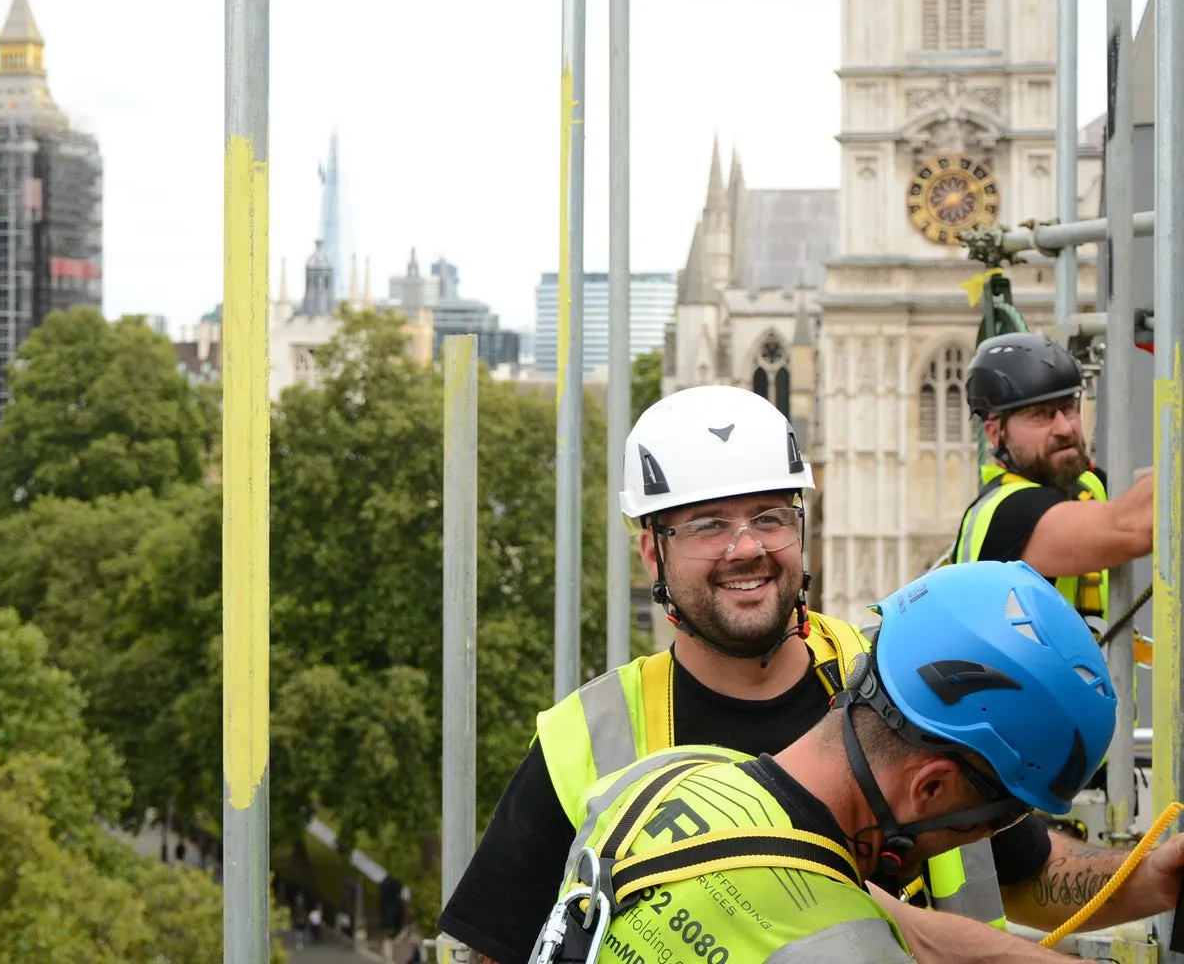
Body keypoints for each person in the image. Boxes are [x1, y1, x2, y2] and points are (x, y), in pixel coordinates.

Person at [438, 386, 1184, 964]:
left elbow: (1024, 874)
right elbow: (500, 946)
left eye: (769, 516)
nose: (745, 549)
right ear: (651, 553)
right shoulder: (590, 736)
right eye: (706, 525)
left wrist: (1156, 877)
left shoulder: (895, 681)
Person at [533, 560, 1116, 964]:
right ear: (931, 788)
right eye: (1003, 819)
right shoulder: (846, 944)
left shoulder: (663, 779)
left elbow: (892, 917)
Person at [952, 332, 1153, 630]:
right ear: (996, 433)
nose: (1064, 427)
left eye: (1069, 407)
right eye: (1041, 415)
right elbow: (1135, 524)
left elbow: (1142, 491)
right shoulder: (1006, 511)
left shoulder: (1078, 482)